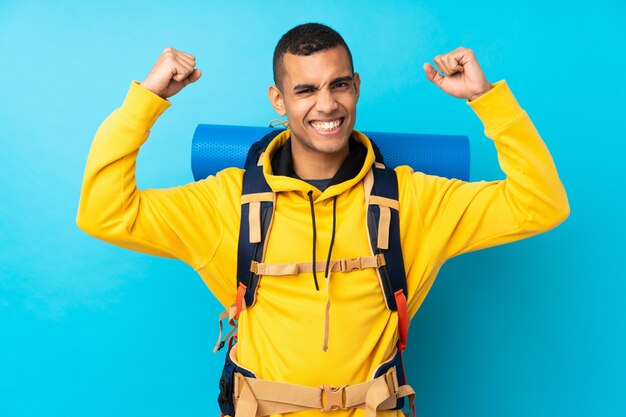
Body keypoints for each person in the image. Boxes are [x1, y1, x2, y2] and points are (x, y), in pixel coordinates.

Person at [77, 23, 569, 417]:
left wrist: (487, 100)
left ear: (355, 88)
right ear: (278, 100)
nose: (326, 104)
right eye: (306, 89)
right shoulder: (228, 201)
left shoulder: (414, 200)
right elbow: (104, 213)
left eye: (338, 85)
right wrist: (146, 99)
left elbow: (540, 203)